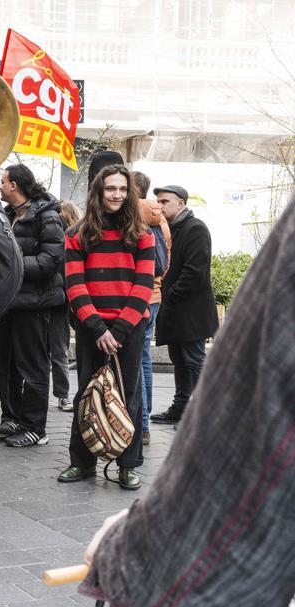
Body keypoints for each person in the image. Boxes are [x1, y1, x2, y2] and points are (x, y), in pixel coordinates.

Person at [80, 202, 294, 607]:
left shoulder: (173, 231)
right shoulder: (94, 232)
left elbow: (257, 414)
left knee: (184, 369)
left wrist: (146, 541)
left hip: (149, 319)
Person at [58, 165, 155, 490]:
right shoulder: (77, 234)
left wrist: (120, 330)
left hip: (130, 327)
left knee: (129, 396)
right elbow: (75, 285)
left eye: (123, 189)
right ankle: (82, 463)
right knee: (86, 393)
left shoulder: (143, 234)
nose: (117, 195)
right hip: (91, 327)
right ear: (98, 192)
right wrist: (99, 329)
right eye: (111, 188)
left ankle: (128, 465)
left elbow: (143, 286)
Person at [0, 164, 65, 447]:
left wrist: (11, 264)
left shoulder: (48, 216)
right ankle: (12, 417)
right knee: (4, 366)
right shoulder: (8, 215)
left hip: (34, 303)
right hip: (8, 302)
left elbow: (51, 261)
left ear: (15, 185)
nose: (0, 187)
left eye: (4, 182)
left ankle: (35, 428)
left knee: (32, 367)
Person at [151, 185, 218, 426]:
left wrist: (169, 296)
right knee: (179, 362)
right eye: (158, 201)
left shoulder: (195, 228)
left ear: (181, 204)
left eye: (165, 201)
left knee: (194, 362)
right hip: (175, 312)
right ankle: (180, 409)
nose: (159, 206)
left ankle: (203, 415)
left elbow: (194, 272)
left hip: (191, 313)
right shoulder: (167, 229)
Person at [132, 171, 171, 444]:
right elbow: (166, 261)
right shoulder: (162, 219)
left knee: (134, 360)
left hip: (138, 296)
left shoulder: (132, 215)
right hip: (154, 294)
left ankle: (139, 425)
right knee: (144, 358)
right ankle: (144, 422)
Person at [51, 200, 81, 413]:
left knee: (53, 351)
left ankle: (61, 395)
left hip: (53, 300)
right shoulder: (75, 236)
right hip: (63, 301)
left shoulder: (64, 236)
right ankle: (63, 396)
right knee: (59, 351)